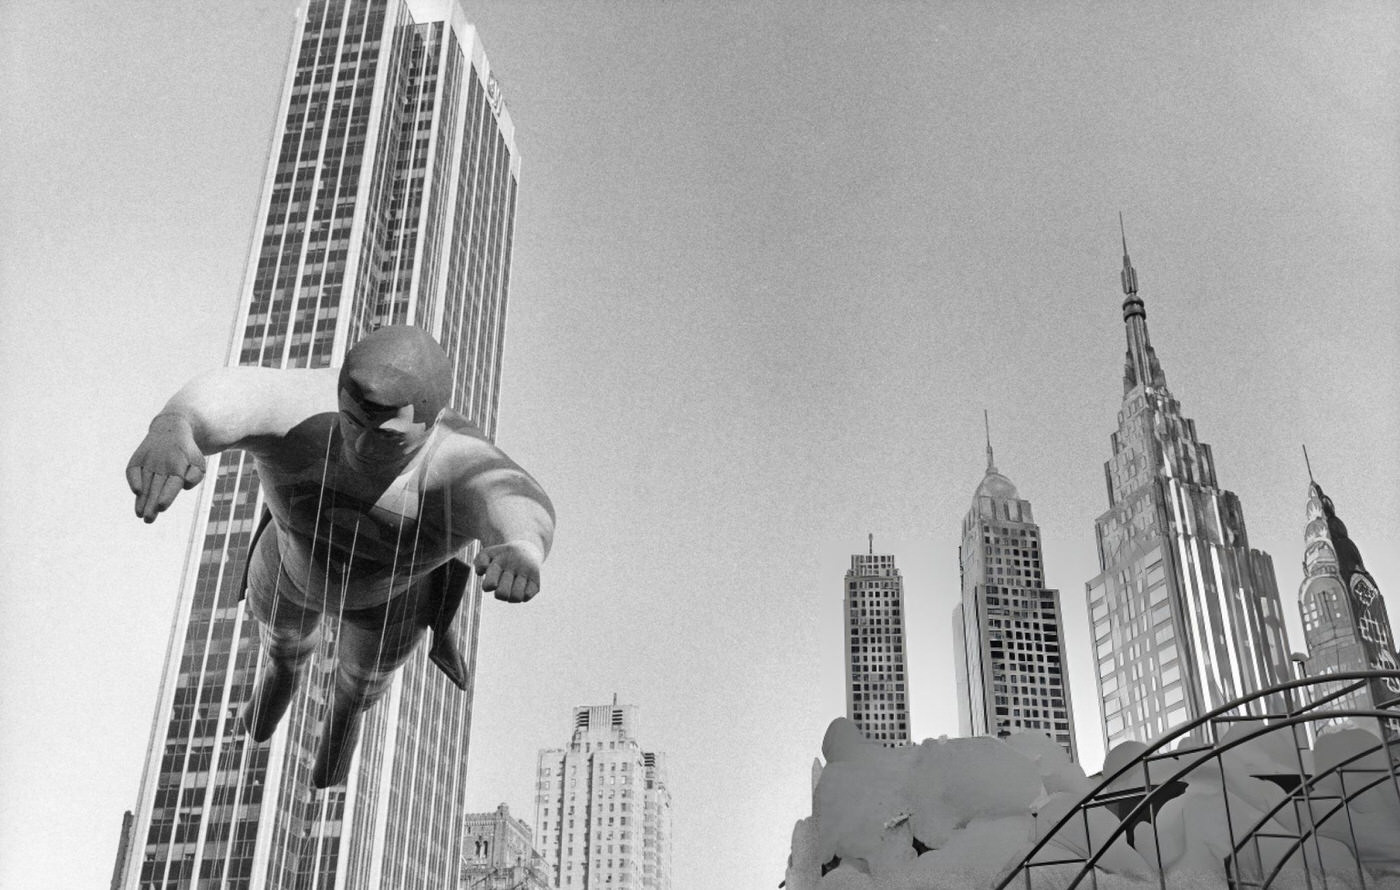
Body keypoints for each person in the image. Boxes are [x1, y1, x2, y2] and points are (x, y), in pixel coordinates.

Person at [126, 325, 555, 788]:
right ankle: (282, 674)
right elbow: (225, 393)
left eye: (388, 436)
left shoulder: (457, 461)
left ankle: (339, 729)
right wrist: (176, 426)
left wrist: (521, 546)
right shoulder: (298, 409)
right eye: (353, 422)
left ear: (430, 425)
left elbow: (511, 494)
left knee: (359, 686)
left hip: (390, 602)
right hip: (290, 566)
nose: (363, 445)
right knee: (284, 645)